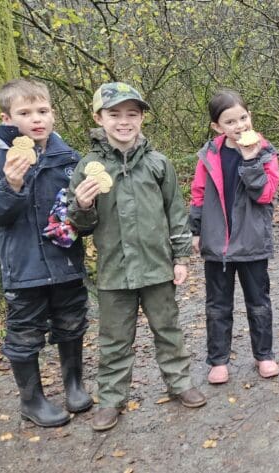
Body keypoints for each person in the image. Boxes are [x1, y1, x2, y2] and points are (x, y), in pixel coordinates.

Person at [69, 82, 206, 431]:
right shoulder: (87, 167)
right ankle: (111, 399)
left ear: (143, 118)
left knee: (169, 329)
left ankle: (180, 383)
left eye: (132, 114)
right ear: (99, 118)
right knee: (114, 340)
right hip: (114, 271)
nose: (124, 122)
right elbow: (80, 226)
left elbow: (176, 213)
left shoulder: (159, 164)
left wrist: (180, 258)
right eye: (114, 114)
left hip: (158, 267)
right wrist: (82, 206)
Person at [0, 78, 91, 427]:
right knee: (25, 333)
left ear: (53, 114)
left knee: (72, 322)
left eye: (42, 111)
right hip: (23, 268)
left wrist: (86, 206)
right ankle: (32, 399)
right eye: (25, 113)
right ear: (8, 118)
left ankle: (74, 384)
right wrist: (11, 185)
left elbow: (84, 220)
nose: (36, 119)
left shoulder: (70, 160)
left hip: (66, 262)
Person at [190, 90, 279, 384]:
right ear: (218, 127)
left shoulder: (266, 152)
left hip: (252, 240)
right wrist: (195, 230)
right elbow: (199, 193)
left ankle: (264, 355)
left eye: (243, 117)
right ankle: (218, 360)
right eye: (230, 121)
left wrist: (251, 160)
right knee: (218, 304)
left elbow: (265, 194)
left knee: (259, 302)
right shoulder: (209, 155)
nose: (239, 125)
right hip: (218, 242)